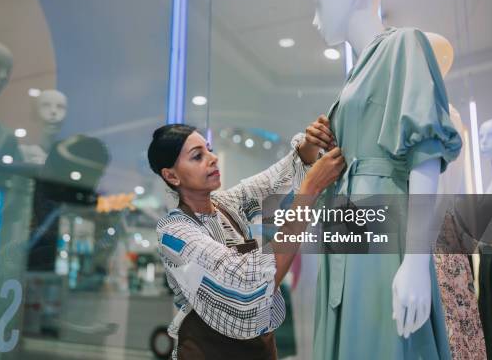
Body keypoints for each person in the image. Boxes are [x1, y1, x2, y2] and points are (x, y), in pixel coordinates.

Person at [148, 119, 345, 360]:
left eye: (209, 149)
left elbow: (274, 180)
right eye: (197, 156)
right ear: (171, 175)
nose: (212, 158)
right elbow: (245, 284)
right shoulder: (175, 233)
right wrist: (309, 192)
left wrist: (308, 147)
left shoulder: (227, 206)